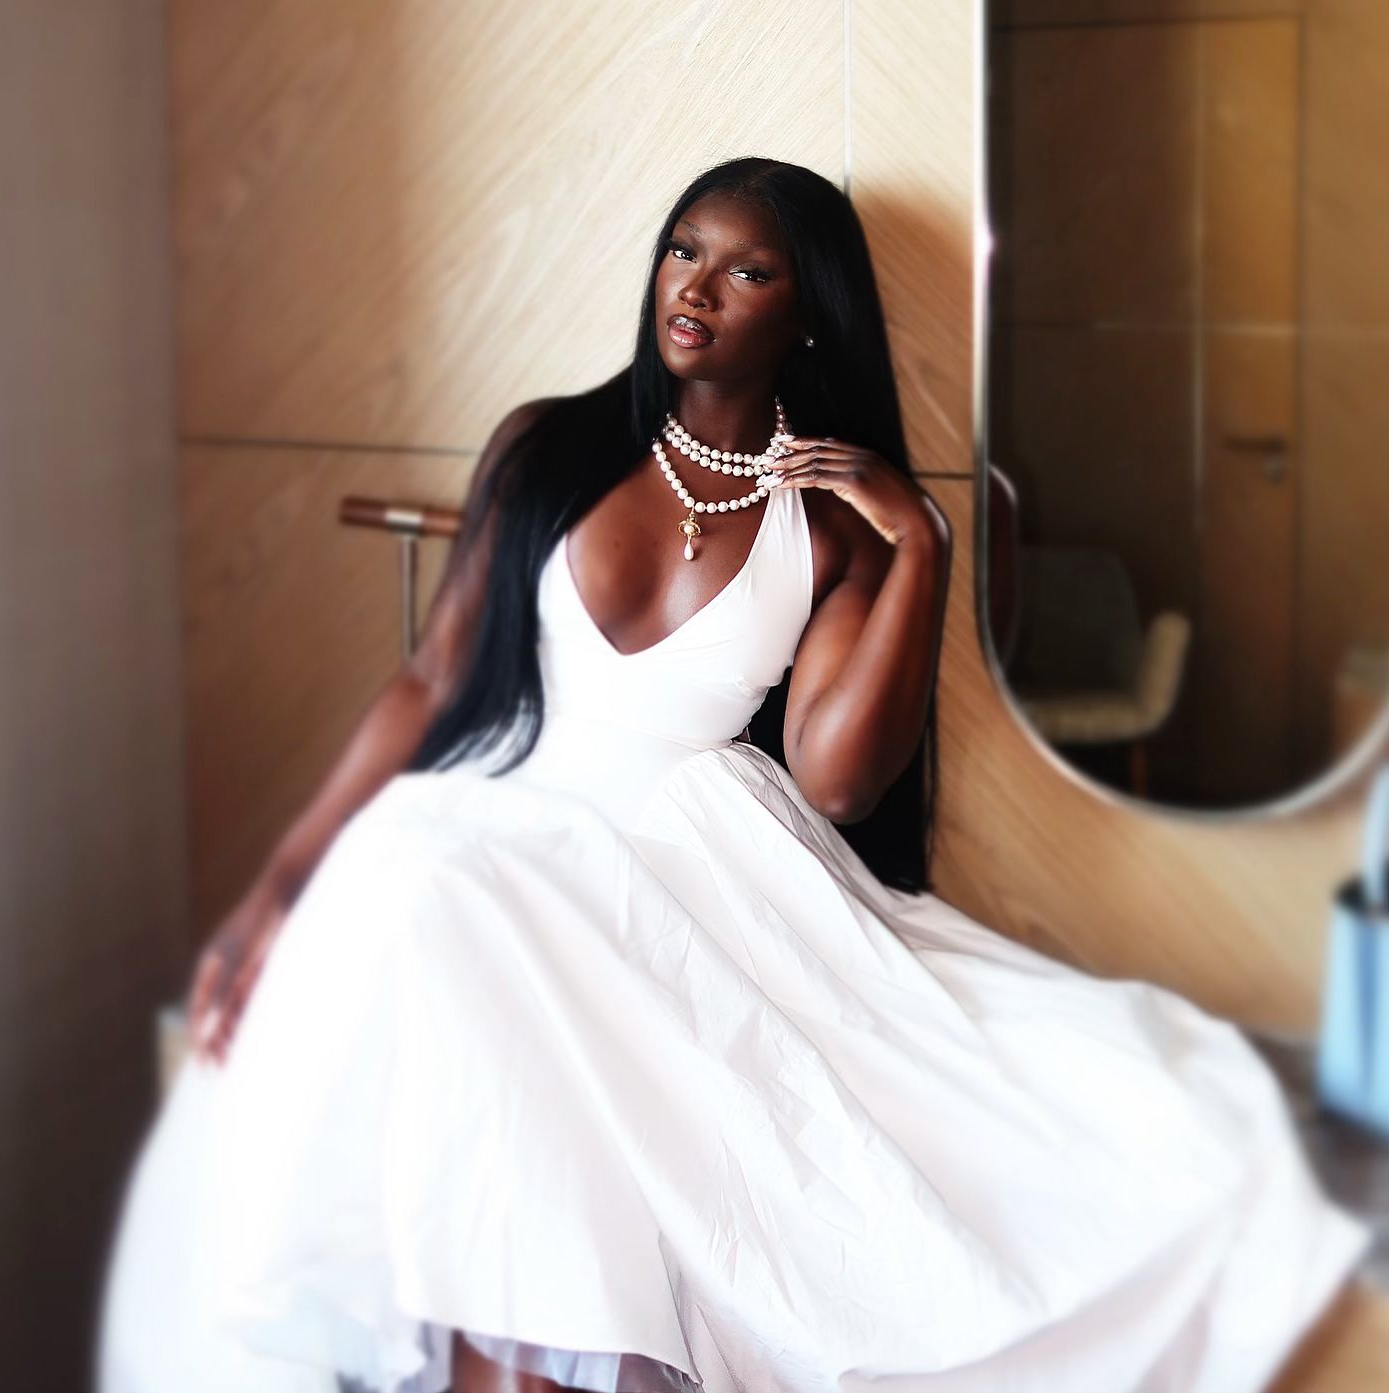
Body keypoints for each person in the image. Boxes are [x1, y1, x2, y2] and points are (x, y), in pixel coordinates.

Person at [94, 157, 1371, 1393]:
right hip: (492, 827)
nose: (695, 287)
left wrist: (919, 545)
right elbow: (430, 680)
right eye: (682, 251)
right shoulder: (548, 448)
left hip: (676, 868)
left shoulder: (830, 526)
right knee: (433, 904)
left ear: (806, 319)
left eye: (747, 271)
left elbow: (837, 781)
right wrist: (281, 882)